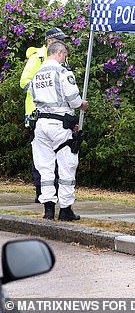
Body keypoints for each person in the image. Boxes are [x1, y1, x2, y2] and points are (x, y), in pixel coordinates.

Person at [30, 41, 88, 221]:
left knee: (45, 167)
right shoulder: (63, 72)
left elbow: (33, 98)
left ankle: (48, 210)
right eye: (65, 56)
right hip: (60, 126)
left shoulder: (37, 74)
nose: (65, 59)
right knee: (67, 166)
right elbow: (73, 99)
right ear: (60, 53)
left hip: (40, 125)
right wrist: (82, 105)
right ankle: (65, 209)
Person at [20, 27, 69, 202]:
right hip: (37, 115)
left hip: (57, 116)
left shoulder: (62, 59)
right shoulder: (37, 58)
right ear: (50, 41)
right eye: (60, 40)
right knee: (40, 157)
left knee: (59, 155)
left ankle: (54, 192)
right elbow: (24, 81)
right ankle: (40, 191)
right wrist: (39, 93)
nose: (63, 43)